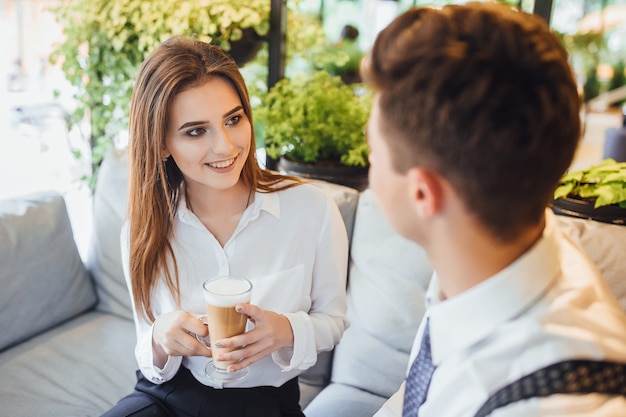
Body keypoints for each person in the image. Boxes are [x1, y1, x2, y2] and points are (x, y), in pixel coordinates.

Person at [361, 3, 626, 417]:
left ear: (422, 194)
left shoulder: (560, 403)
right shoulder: (492, 248)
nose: (369, 166)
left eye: (373, 152)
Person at [102, 36, 349, 417]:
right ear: (162, 143)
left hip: (267, 404)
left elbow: (333, 321)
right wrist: (160, 337)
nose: (226, 146)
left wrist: (285, 330)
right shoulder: (143, 227)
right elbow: (146, 348)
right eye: (196, 131)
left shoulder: (311, 210)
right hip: (166, 398)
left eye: (233, 119)